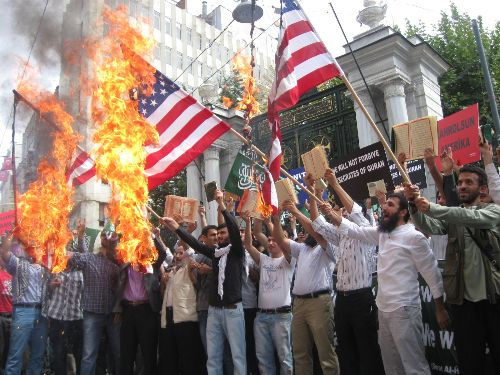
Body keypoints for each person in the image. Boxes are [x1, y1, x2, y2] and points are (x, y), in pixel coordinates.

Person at [325, 192, 449, 375]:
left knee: (414, 366)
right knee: (391, 367)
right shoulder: (382, 233)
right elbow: (355, 231)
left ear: (403, 212)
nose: (384, 207)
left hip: (405, 310)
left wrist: (440, 309)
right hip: (383, 310)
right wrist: (331, 209)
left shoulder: (415, 237)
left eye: (390, 204)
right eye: (385, 204)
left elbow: (432, 274)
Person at [406, 164, 500, 374]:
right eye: (459, 183)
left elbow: (470, 218)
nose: (462, 186)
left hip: (493, 299)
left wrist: (430, 207)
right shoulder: (453, 217)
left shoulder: (493, 211)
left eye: (468, 182)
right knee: (470, 361)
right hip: (463, 303)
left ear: (483, 189)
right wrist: (413, 204)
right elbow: (429, 226)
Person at [161, 189, 247, 375]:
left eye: (224, 233)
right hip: (214, 311)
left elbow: (232, 226)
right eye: (219, 234)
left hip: (233, 310)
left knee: (237, 355)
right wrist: (176, 227)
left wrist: (222, 205)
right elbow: (195, 243)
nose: (222, 236)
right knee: (213, 356)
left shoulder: (237, 251)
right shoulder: (215, 253)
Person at [311, 171, 385, 375]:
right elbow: (318, 223)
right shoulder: (340, 236)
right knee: (346, 351)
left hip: (362, 299)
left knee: (368, 351)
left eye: (342, 210)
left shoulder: (364, 230)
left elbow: (355, 211)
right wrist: (313, 192)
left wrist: (334, 184)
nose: (337, 212)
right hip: (342, 301)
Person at [275, 200, 339, 375]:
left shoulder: (328, 246)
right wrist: (276, 219)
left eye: (308, 229)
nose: (305, 233)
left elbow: (316, 232)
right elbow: (280, 240)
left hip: (319, 302)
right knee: (300, 354)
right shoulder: (303, 248)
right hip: (300, 304)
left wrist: (295, 211)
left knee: (326, 354)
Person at [241, 212, 295, 375]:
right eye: (269, 239)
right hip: (261, 317)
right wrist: (252, 218)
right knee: (263, 359)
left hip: (282, 316)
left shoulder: (289, 259)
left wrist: (274, 222)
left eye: (274, 239)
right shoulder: (264, 259)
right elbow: (250, 244)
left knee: (285, 358)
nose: (271, 242)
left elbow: (281, 241)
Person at [115, 227, 168, 375]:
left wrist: (151, 234)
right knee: (126, 354)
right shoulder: (125, 263)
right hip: (128, 311)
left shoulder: (151, 264)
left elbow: (163, 253)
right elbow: (114, 253)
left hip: (147, 311)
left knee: (149, 353)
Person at [68, 228, 121, 375]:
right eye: (104, 235)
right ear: (101, 240)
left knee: (118, 353)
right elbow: (72, 258)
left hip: (113, 315)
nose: (107, 238)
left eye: (111, 237)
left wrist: (119, 309)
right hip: (92, 314)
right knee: (89, 355)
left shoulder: (119, 263)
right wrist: (78, 236)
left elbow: (122, 290)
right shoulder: (89, 258)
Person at [43, 220, 87, 375]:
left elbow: (85, 255)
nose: (66, 253)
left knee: (79, 354)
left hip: (75, 318)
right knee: (58, 355)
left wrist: (81, 235)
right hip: (56, 317)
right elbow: (45, 291)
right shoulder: (54, 267)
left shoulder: (81, 269)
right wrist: (50, 285)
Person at [0, 235, 48, 375]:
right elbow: (4, 253)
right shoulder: (18, 264)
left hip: (42, 313)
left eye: (38, 247)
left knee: (38, 355)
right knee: (16, 355)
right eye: (33, 247)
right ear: (27, 250)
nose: (36, 249)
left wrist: (52, 284)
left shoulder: (44, 269)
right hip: (23, 311)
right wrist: (10, 235)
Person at [159, 244, 207, 375]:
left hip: (185, 319)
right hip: (168, 317)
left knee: (187, 358)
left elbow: (190, 253)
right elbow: (163, 296)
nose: (177, 256)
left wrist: (181, 231)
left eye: (181, 253)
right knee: (170, 356)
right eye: (176, 253)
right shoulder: (170, 272)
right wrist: (163, 282)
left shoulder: (190, 268)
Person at [0, 255, 13, 375]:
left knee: (9, 346)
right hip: (1, 315)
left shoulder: (14, 276)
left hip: (13, 315)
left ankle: (5, 369)